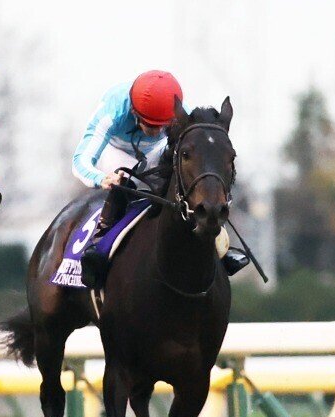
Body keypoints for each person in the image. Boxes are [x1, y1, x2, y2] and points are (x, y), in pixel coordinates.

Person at [73, 70, 248, 289]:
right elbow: (80, 161)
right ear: (135, 113)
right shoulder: (113, 111)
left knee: (180, 180)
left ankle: (217, 245)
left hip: (154, 152)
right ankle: (99, 244)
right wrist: (101, 178)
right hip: (115, 149)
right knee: (126, 177)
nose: (156, 131)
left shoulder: (178, 113)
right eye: (151, 125)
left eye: (162, 125)